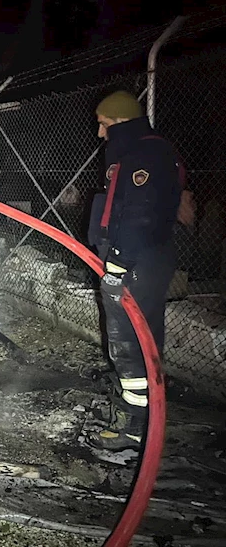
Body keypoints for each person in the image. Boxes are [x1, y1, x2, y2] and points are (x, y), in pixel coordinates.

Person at [87, 90, 183, 451]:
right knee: (131, 340)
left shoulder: (145, 155)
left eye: (104, 124)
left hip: (136, 263)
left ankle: (133, 427)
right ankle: (134, 414)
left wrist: (118, 263)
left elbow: (140, 215)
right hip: (134, 259)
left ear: (122, 122)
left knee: (132, 341)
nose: (100, 133)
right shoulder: (135, 153)